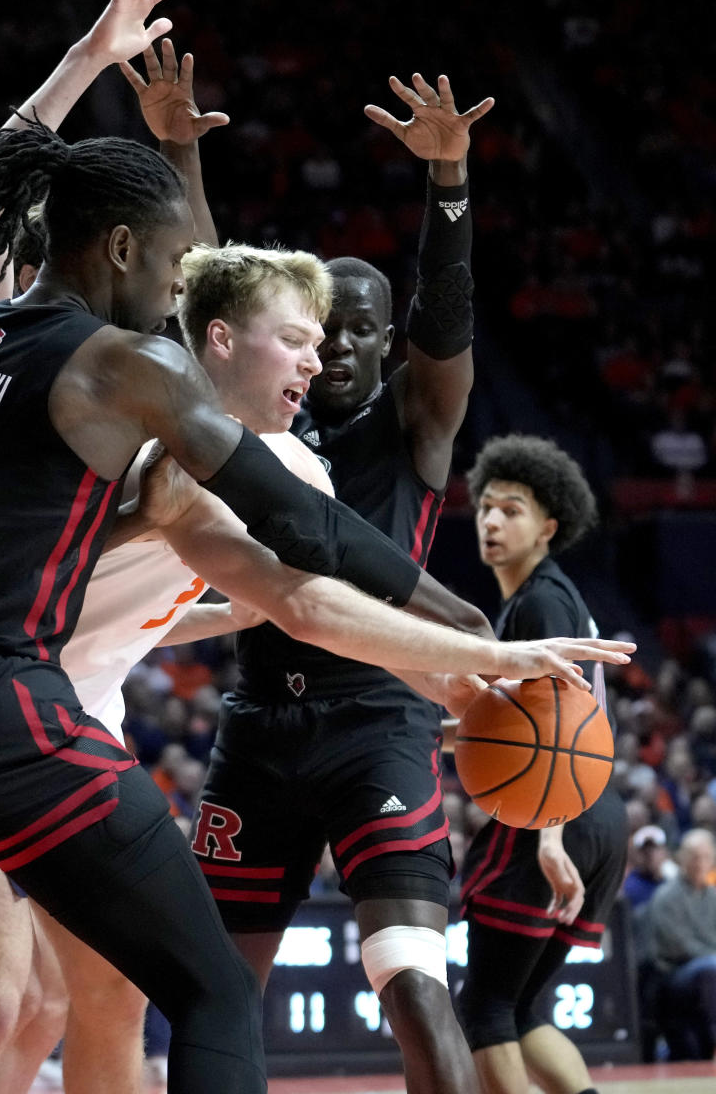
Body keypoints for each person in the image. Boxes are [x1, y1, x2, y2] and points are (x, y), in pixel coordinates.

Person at [0, 0, 633, 1094]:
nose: (318, 359)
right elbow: (304, 568)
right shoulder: (139, 383)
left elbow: (276, 599)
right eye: (299, 336)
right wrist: (474, 644)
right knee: (37, 1008)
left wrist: (453, 663)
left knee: (53, 1006)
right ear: (209, 327)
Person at [186, 66, 493, 1093]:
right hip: (260, 724)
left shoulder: (417, 422)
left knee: (412, 983)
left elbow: (444, 323)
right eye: (324, 331)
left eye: (363, 328)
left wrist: (447, 182)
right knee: (217, 993)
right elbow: (212, 295)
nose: (342, 348)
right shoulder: (265, 419)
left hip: (377, 723)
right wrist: (182, 154)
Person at [454, 434, 629, 1094]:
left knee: (484, 1008)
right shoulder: (549, 596)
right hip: (594, 808)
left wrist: (549, 833)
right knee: (519, 1008)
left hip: (555, 807)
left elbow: (556, 732)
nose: (492, 522)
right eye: (486, 508)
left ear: (548, 527)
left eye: (512, 510)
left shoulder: (542, 601)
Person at [645, 827, 716, 1057]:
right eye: (695, 856)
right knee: (709, 970)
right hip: (675, 975)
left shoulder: (713, 896)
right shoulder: (666, 896)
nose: (700, 863)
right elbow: (680, 946)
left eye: (706, 857)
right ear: (682, 858)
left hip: (708, 967)